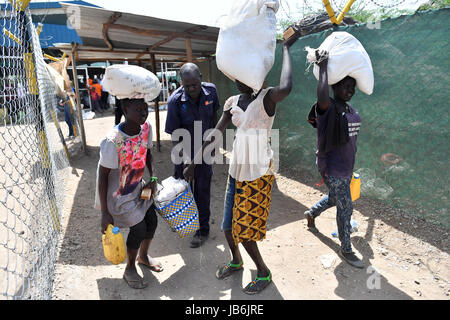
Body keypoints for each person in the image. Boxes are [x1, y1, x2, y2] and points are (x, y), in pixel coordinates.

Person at [184, 35, 299, 294]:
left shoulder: (267, 98)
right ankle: (236, 261)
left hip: (258, 173)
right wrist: (195, 159)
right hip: (237, 171)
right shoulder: (233, 102)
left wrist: (286, 49)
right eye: (238, 77)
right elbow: (216, 132)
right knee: (227, 227)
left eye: (246, 76)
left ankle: (263, 272)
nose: (241, 81)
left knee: (245, 231)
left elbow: (288, 87)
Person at [94, 98, 163, 289]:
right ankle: (130, 268)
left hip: (138, 187)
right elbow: (103, 176)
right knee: (139, 229)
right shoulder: (112, 140)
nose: (144, 113)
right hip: (118, 196)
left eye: (145, 108)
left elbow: (148, 153)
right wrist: (105, 213)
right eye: (138, 109)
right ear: (125, 109)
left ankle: (143, 256)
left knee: (152, 221)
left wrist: (154, 177)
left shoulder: (146, 128)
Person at [304, 50, 363, 269]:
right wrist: (322, 68)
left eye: (352, 88)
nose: (349, 91)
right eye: (345, 87)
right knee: (345, 208)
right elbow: (321, 96)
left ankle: (311, 214)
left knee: (333, 199)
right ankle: (346, 249)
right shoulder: (328, 108)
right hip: (334, 169)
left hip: (346, 168)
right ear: (334, 86)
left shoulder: (350, 109)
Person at [165, 63, 220, 248]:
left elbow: (215, 116)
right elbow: (175, 135)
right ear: (181, 83)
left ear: (201, 78)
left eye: (194, 84)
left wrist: (214, 142)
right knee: (182, 191)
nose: (191, 89)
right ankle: (183, 221)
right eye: (186, 85)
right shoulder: (175, 101)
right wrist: (186, 162)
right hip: (183, 153)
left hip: (204, 152)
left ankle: (202, 229)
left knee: (202, 191)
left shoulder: (211, 92)